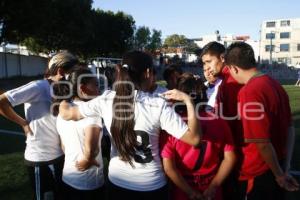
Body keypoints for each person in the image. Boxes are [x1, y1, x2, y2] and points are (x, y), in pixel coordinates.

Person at [58, 50, 202, 200]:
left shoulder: (106, 99)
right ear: (147, 73)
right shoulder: (158, 104)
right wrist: (188, 101)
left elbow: (68, 113)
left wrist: (63, 99)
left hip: (117, 183)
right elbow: (195, 139)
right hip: (151, 185)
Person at [224, 42, 299, 200]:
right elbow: (290, 129)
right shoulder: (275, 85)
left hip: (258, 172)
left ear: (234, 68)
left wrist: (279, 175)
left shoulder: (249, 91)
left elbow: (262, 142)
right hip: (277, 165)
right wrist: (285, 168)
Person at [0, 51, 79, 200]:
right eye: (73, 72)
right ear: (61, 71)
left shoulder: (66, 90)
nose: (76, 77)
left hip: (62, 157)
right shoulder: (38, 87)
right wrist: (22, 123)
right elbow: (1, 102)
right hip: (41, 160)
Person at [161, 73, 236, 200]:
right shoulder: (219, 121)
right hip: (211, 186)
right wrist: (214, 186)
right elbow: (230, 157)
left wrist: (189, 192)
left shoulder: (173, 124)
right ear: (204, 95)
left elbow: (169, 167)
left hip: (183, 188)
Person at [53, 68, 105, 200]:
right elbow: (90, 148)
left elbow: (63, 145)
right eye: (96, 85)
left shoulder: (63, 111)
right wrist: (88, 158)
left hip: (68, 176)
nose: (99, 89)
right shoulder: (92, 113)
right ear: (82, 88)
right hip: (88, 181)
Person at [200, 42, 243, 199]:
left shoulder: (230, 82)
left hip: (234, 149)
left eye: (209, 61)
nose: (207, 67)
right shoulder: (225, 80)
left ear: (222, 58)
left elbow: (232, 120)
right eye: (204, 63)